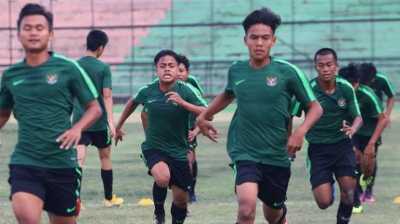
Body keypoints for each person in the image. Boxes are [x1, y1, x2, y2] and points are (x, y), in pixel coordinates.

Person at [196, 8, 323, 224]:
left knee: (273, 214)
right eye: (254, 37)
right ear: (245, 40)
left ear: (273, 40)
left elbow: (316, 107)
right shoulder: (236, 70)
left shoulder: (288, 72)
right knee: (246, 209)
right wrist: (203, 116)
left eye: (265, 38)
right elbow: (228, 94)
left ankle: (281, 215)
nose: (259, 43)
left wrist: (300, 132)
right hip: (244, 151)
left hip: (276, 154)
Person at [0, 3, 102, 224]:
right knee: (27, 217)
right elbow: (2, 114)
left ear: (50, 34)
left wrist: (77, 128)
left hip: (62, 163)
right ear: (18, 34)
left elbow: (95, 108)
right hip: (26, 161)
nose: (34, 32)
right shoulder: (10, 75)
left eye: (39, 27)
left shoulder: (68, 68)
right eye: (27, 28)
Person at [115, 49, 207, 224]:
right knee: (162, 177)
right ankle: (159, 213)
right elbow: (132, 103)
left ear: (176, 69)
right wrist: (118, 126)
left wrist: (183, 103)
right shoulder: (148, 90)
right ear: (156, 70)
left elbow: (207, 112)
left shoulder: (186, 90)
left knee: (181, 200)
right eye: (162, 66)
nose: (167, 69)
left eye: (171, 66)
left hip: (179, 150)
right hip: (154, 147)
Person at [292, 48, 363, 224]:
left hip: (342, 145)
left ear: (336, 66)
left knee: (349, 192)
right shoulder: (309, 89)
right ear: (316, 67)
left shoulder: (345, 87)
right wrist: (291, 139)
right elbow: (291, 114)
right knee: (324, 202)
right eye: (321, 65)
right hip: (318, 149)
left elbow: (358, 117)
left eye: (329, 65)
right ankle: (326, 183)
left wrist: (353, 129)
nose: (325, 69)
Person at [72, 29, 123, 207]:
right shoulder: (103, 68)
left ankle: (76, 200)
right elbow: (107, 96)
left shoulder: (75, 66)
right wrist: (111, 122)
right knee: (105, 158)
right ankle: (109, 199)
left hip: (80, 121)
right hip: (100, 121)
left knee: (78, 159)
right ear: (100, 47)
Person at [338, 63, 388, 213]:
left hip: (370, 132)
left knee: (369, 162)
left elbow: (383, 119)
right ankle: (357, 194)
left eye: (351, 84)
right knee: (354, 159)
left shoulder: (368, 94)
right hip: (354, 132)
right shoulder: (340, 93)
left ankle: (368, 186)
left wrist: (372, 143)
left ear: (357, 83)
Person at [361, 63, 395, 203]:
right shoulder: (358, 81)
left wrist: (386, 115)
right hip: (358, 122)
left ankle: (369, 191)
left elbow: (391, 96)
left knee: (371, 156)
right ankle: (357, 189)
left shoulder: (381, 79)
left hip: (374, 123)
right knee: (355, 158)